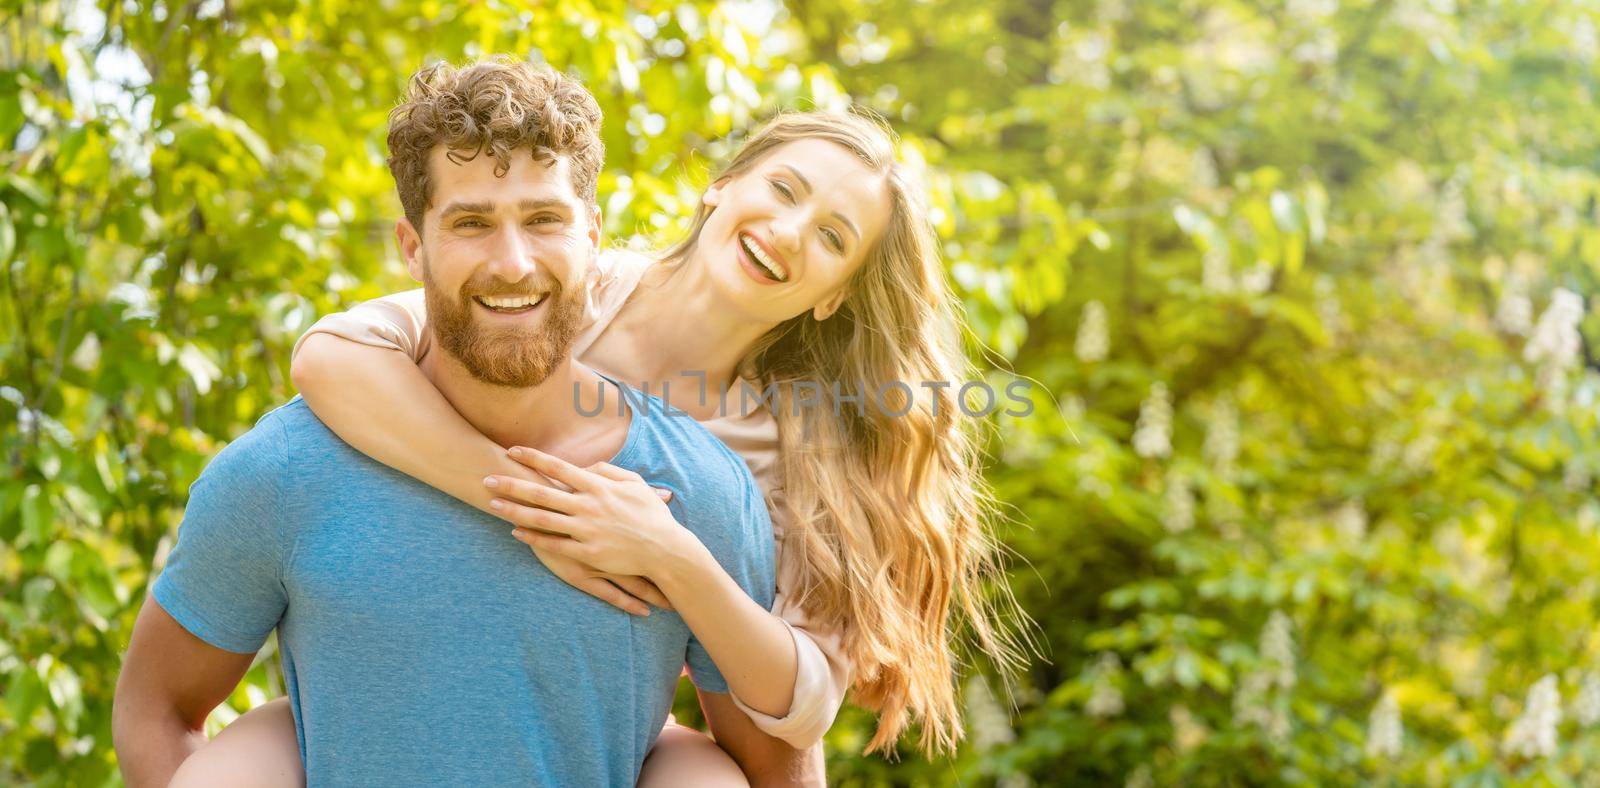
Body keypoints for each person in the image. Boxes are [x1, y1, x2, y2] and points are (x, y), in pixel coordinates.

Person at [190, 68, 1027, 786]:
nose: (788, 230)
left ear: (835, 292)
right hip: (411, 677)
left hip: (600, 714)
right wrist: (534, 506)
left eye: (833, 237)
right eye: (783, 189)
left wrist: (672, 559)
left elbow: (804, 703)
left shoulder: (791, 445)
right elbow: (332, 357)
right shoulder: (562, 284)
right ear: (722, 184)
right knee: (265, 742)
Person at [110, 58, 792, 788]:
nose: (512, 261)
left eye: (544, 220)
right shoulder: (285, 470)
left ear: (593, 236)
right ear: (413, 246)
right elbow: (156, 709)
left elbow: (772, 765)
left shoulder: (698, 493)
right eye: (471, 223)